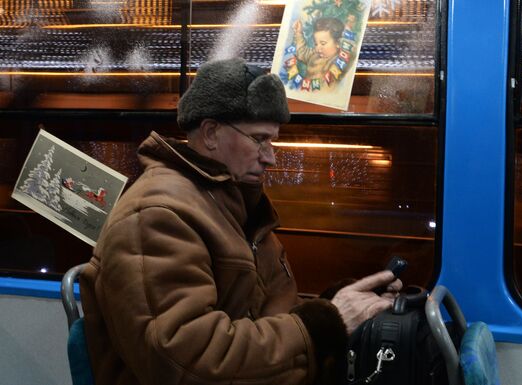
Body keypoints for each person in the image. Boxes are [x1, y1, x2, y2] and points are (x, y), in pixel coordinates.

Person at [80, 57, 402, 385]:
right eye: (259, 139)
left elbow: (267, 314)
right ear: (210, 133)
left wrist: (337, 304)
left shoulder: (237, 210)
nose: (270, 156)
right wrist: (325, 326)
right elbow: (189, 361)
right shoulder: (156, 217)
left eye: (272, 140)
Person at [293, 17, 352, 88]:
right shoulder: (315, 54)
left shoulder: (340, 62)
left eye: (323, 43)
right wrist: (299, 33)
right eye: (316, 44)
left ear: (338, 43)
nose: (318, 48)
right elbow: (302, 53)